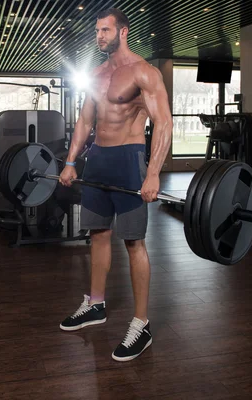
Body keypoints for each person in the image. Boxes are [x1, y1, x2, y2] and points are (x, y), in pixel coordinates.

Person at [58, 8, 173, 362]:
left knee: (134, 242)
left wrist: (153, 172)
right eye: (97, 31)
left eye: (105, 30)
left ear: (123, 31)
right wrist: (71, 161)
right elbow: (83, 122)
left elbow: (164, 124)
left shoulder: (143, 72)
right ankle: (96, 305)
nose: (100, 36)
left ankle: (141, 323)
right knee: (97, 234)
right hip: (98, 161)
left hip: (128, 160)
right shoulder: (95, 74)